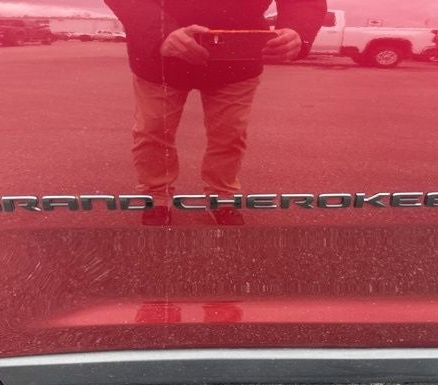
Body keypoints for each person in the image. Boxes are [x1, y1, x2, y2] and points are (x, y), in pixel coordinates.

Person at [104, 0, 327, 225]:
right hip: (161, 57)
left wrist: (298, 30)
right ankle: (156, 196)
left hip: (238, 57)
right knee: (153, 132)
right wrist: (159, 31)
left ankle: (222, 197)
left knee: (230, 135)